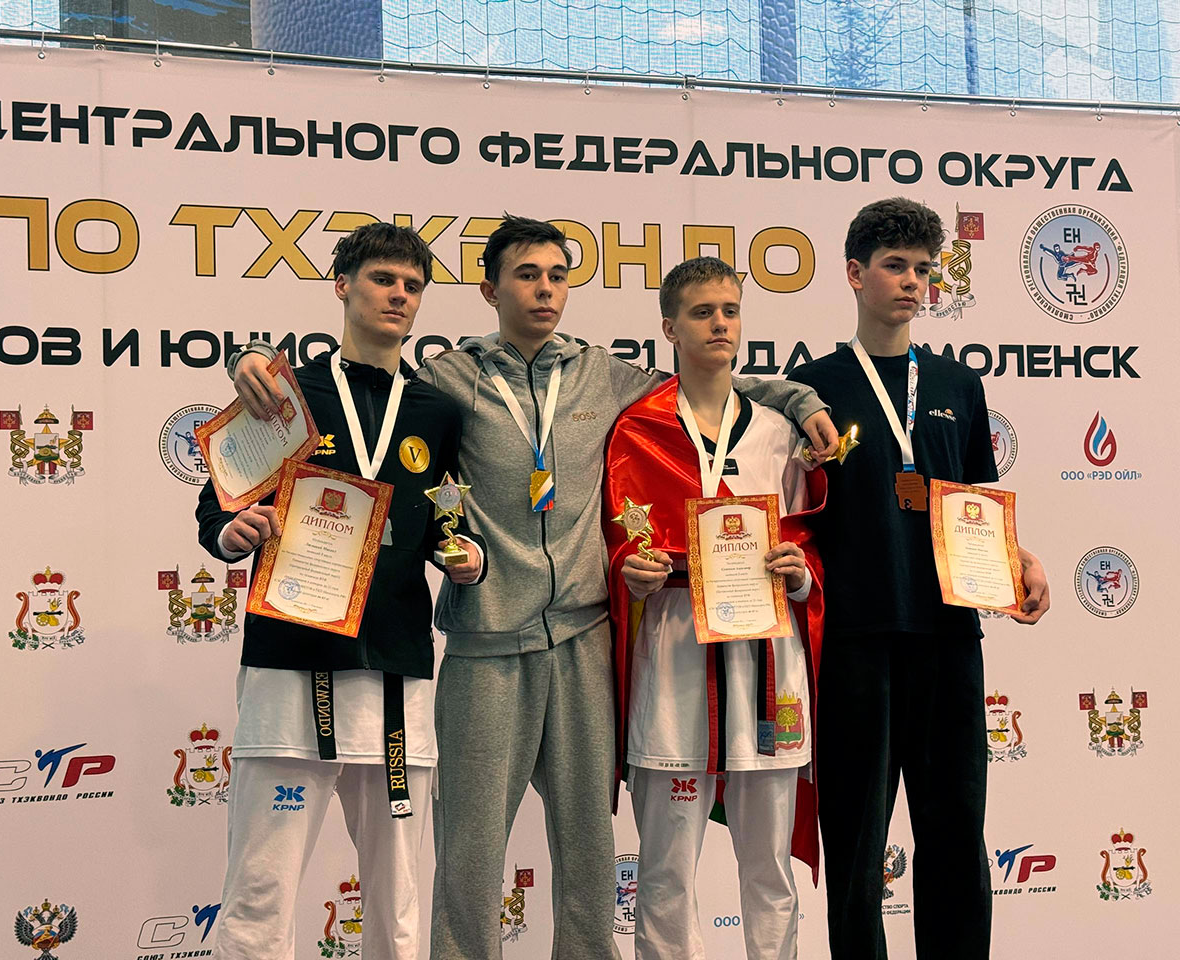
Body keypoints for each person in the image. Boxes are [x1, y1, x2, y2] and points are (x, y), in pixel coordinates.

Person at [230, 215, 838, 960]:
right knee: (470, 848)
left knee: (588, 849)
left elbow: (708, 378)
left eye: (557, 275)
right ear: (490, 289)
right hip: (485, 641)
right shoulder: (448, 379)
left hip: (582, 639)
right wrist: (248, 358)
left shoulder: (603, 375)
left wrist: (798, 398)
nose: (545, 290)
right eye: (527, 275)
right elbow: (360, 379)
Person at [196, 222, 484, 960]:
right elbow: (217, 507)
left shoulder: (436, 412)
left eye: (412, 285)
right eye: (383, 279)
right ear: (342, 286)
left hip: (394, 670)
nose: (398, 295)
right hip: (290, 662)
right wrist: (232, 532)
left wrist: (466, 556)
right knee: (260, 889)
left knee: (398, 898)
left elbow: (451, 516)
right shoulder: (285, 395)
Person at [786, 197, 1051, 960]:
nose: (912, 282)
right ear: (855, 273)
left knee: (955, 832)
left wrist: (1020, 558)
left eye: (924, 269)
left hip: (947, 635)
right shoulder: (810, 387)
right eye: (895, 266)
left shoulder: (958, 385)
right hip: (854, 638)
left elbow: (975, 504)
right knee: (856, 843)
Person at [603, 257, 825, 960]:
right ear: (669, 327)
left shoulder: (780, 433)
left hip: (768, 667)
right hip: (673, 665)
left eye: (730, 310)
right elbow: (613, 543)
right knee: (666, 871)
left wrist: (801, 575)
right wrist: (630, 574)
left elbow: (811, 545)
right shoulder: (636, 430)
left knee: (770, 870)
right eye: (702, 312)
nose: (720, 324)